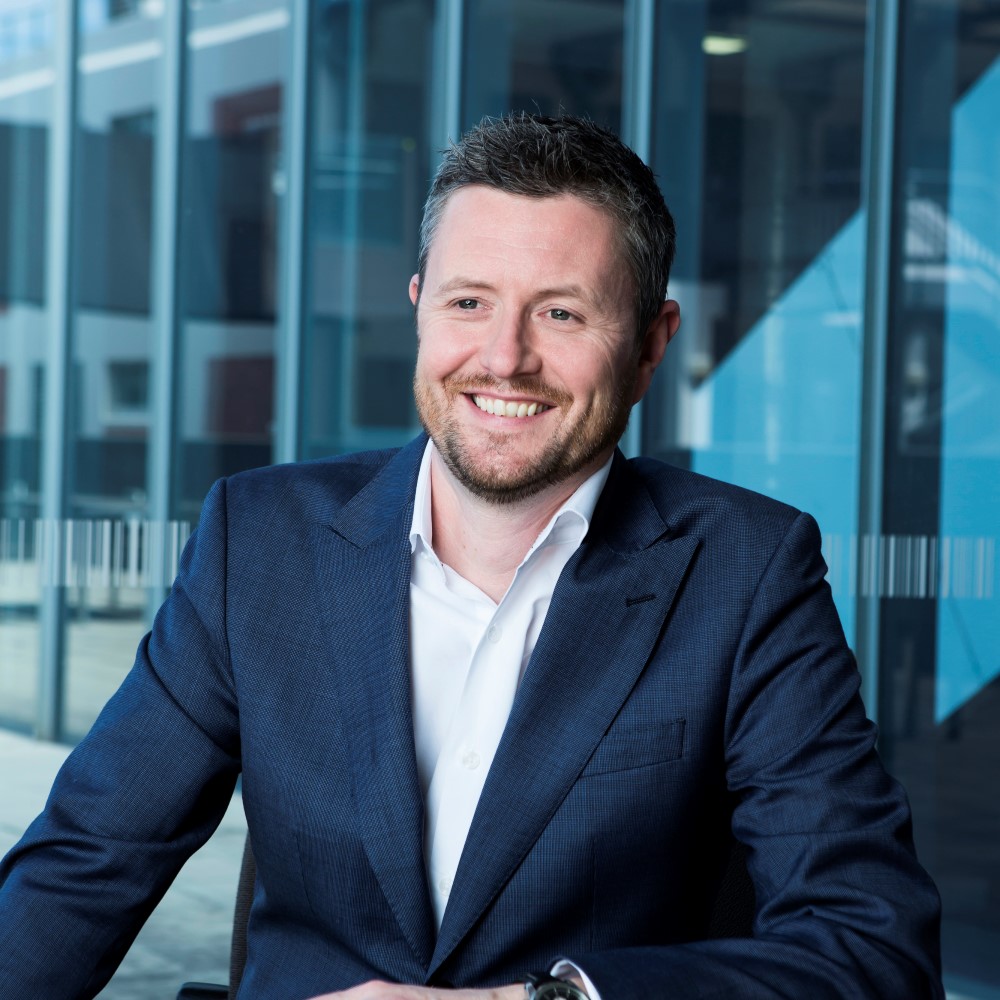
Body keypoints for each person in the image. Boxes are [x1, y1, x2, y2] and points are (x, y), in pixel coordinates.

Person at [0, 113, 942, 1000]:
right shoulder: (259, 540)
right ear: (420, 309)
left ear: (652, 345)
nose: (503, 357)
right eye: (468, 302)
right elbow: (84, 867)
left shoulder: (746, 571)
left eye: (561, 314)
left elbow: (872, 948)